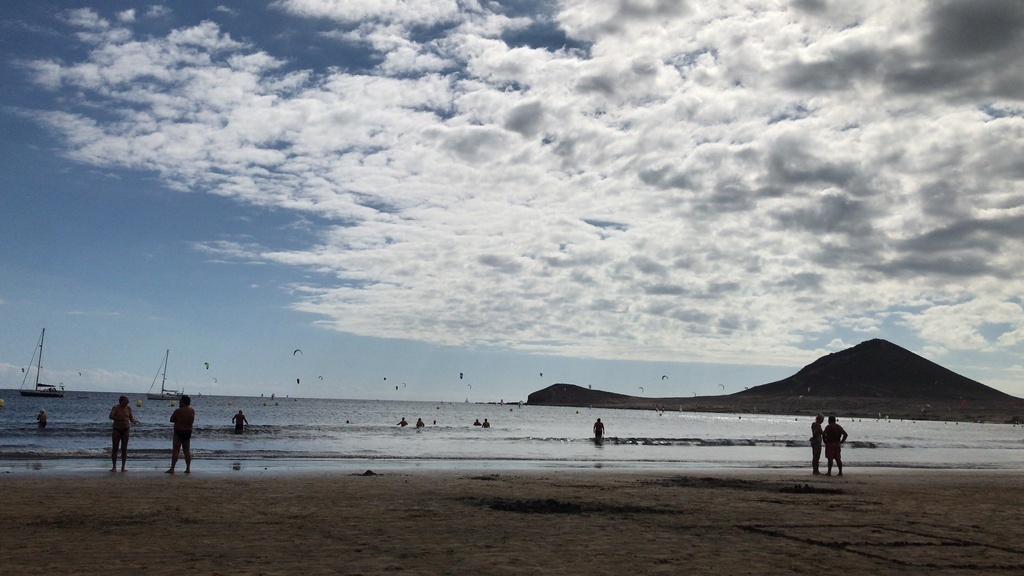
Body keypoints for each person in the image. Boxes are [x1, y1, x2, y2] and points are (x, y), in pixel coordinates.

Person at [109, 395, 140, 472]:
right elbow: (111, 416)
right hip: (117, 429)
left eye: (128, 401)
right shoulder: (115, 408)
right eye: (126, 401)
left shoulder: (128, 408)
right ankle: (114, 466)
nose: (127, 402)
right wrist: (119, 418)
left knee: (124, 448)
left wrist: (134, 421)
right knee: (115, 448)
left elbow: (131, 418)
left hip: (126, 429)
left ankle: (123, 467)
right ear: (121, 401)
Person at [167, 395, 195, 474]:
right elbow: (192, 420)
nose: (179, 402)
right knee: (187, 451)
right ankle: (188, 468)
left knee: (176, 450)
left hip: (179, 431)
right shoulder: (192, 410)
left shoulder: (178, 411)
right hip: (188, 431)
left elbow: (171, 419)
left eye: (180, 401)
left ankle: (172, 468)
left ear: (182, 402)